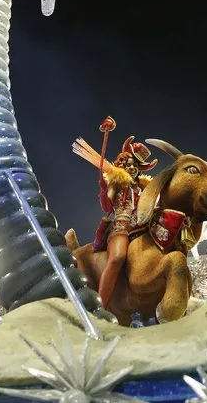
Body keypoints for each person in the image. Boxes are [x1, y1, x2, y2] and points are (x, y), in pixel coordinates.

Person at [73, 123, 158, 309]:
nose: (133, 167)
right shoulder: (118, 182)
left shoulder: (144, 188)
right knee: (118, 257)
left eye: (137, 165)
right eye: (130, 163)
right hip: (121, 227)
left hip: (143, 228)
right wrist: (105, 189)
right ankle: (100, 307)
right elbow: (106, 207)